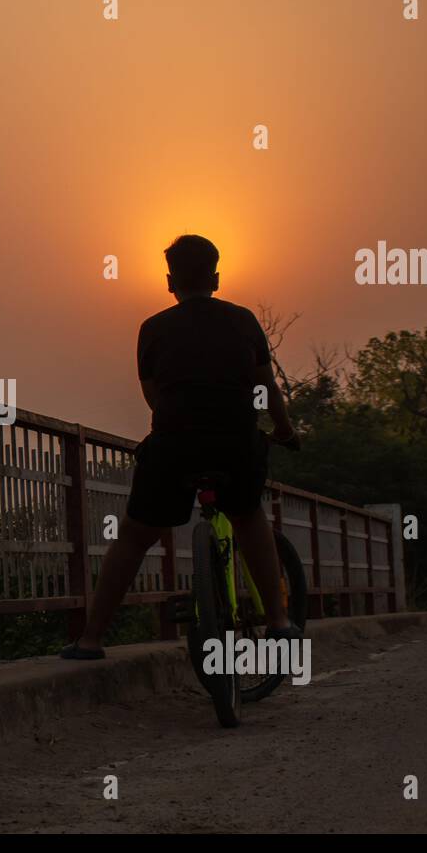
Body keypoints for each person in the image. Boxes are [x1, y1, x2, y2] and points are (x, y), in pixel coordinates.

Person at [62, 234, 300, 659]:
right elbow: (267, 388)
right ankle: (279, 624)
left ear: (170, 281)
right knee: (248, 518)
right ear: (217, 277)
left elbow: (154, 396)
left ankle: (91, 639)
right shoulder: (243, 321)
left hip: (175, 445)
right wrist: (284, 429)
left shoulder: (152, 329)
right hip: (236, 442)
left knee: (135, 536)